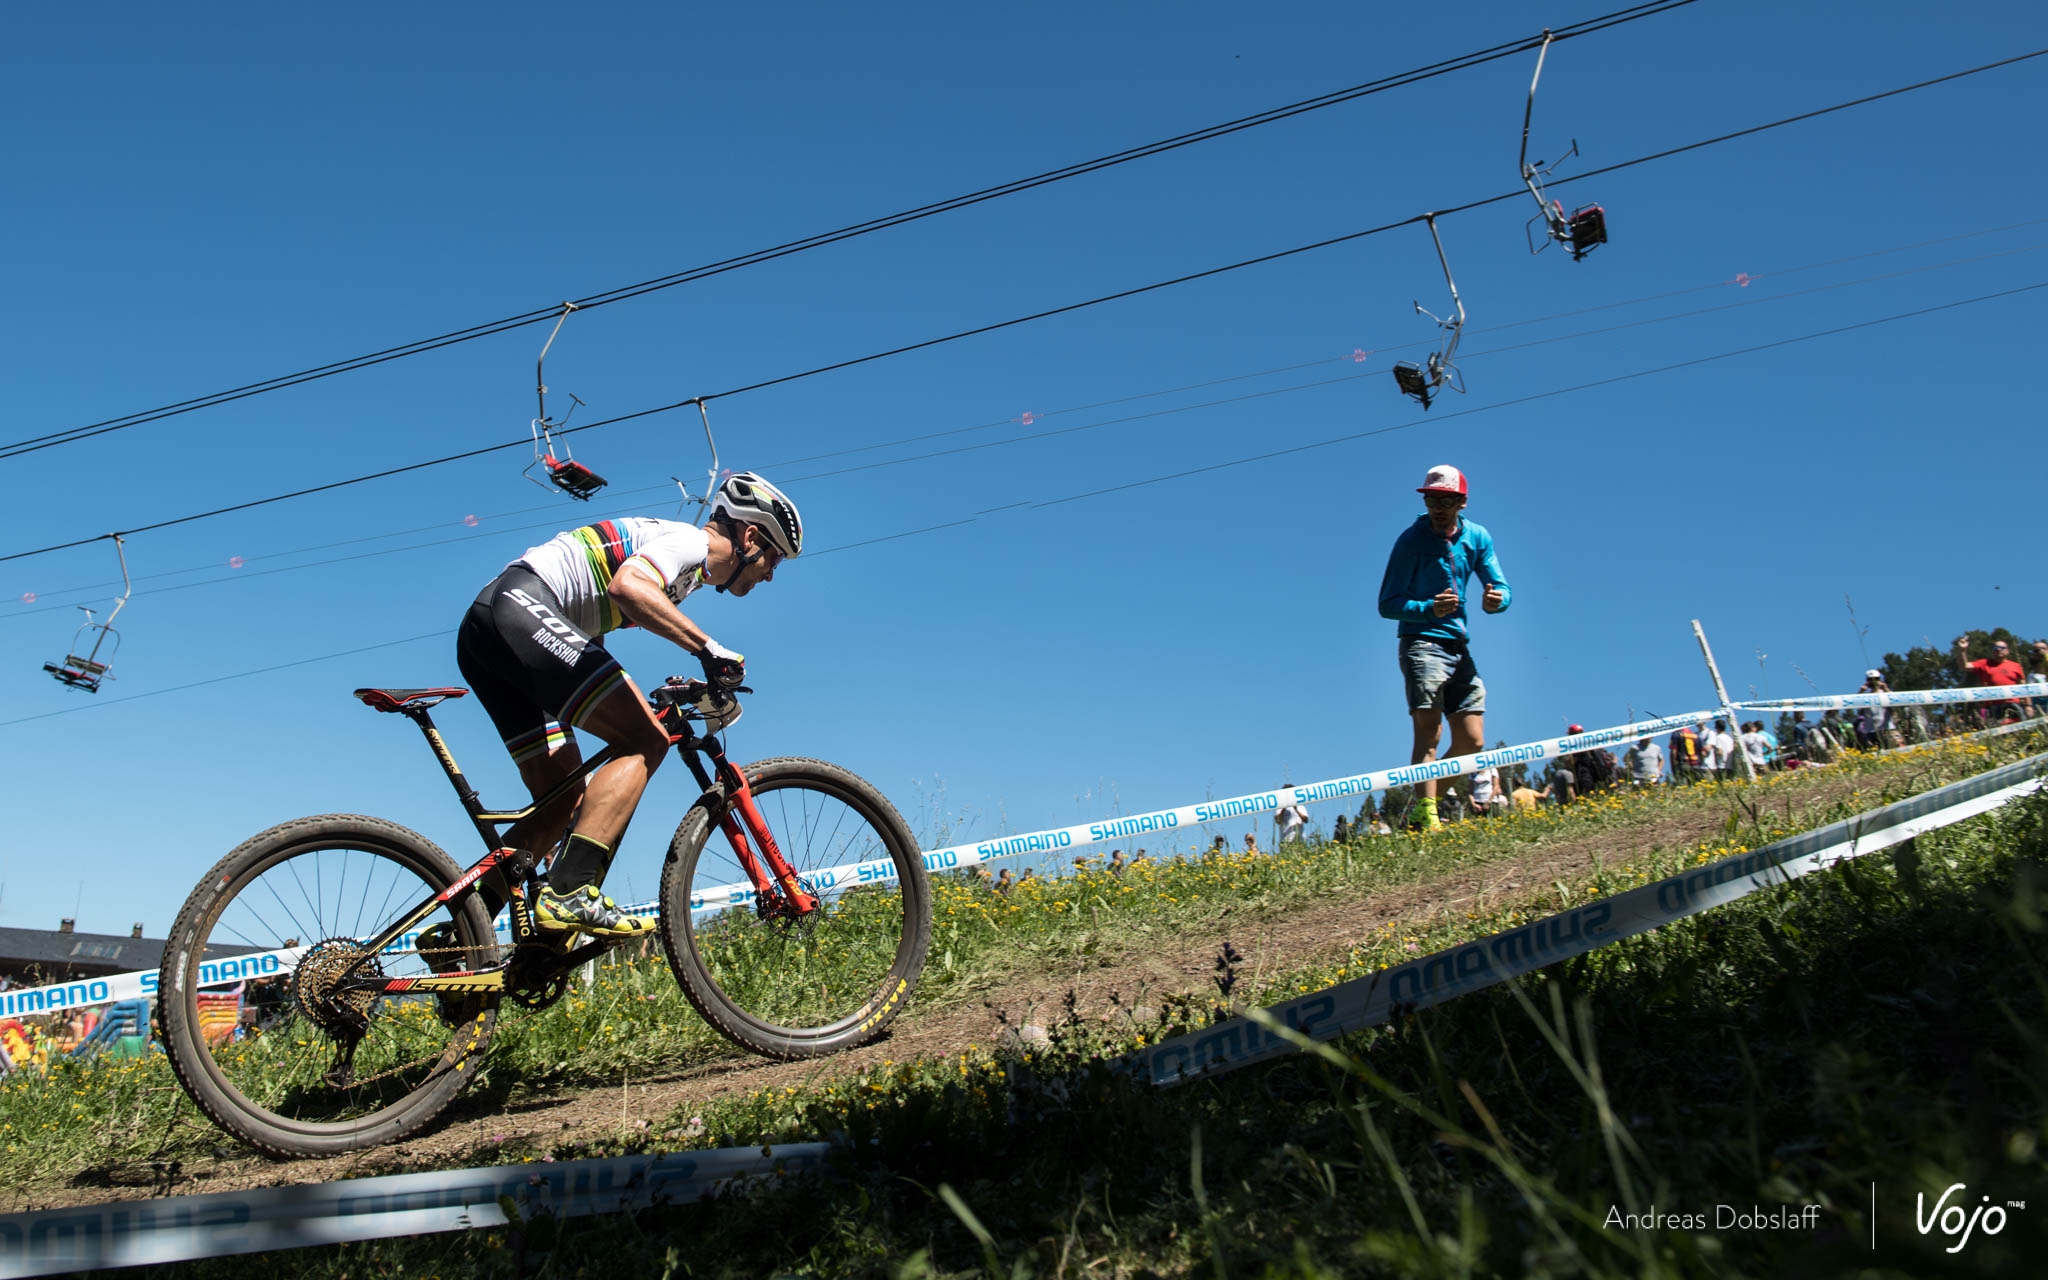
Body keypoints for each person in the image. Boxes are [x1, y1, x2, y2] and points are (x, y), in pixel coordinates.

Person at [443, 473, 803, 945]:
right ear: (750, 536)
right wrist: (709, 648)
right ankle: (569, 892)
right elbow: (628, 587)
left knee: (563, 803)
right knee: (643, 740)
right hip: (518, 612)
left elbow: (586, 625)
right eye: (774, 557)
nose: (771, 573)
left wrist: (656, 689)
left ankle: (461, 933)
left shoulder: (680, 570)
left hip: (494, 628)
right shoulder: (690, 543)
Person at [1377, 464, 1512, 832]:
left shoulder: (1478, 538)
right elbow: (1387, 603)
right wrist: (1427, 609)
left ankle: (1425, 808)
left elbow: (1502, 590)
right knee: (1429, 733)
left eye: (1447, 500)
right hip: (1421, 642)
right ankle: (1429, 819)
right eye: (1432, 499)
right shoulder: (1411, 541)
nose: (1438, 506)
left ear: (1462, 503)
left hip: (1458, 645)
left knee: (1472, 740)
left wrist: (1495, 600)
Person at [1954, 635, 2031, 723]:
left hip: (2012, 704)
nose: (1998, 650)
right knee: (1997, 731)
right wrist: (1962, 650)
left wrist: (2028, 705)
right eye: (1996, 648)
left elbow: (2023, 687)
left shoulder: (2016, 666)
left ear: (2008, 651)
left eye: (2002, 647)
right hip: (1992, 706)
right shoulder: (1984, 664)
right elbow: (1964, 666)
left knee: (2017, 729)